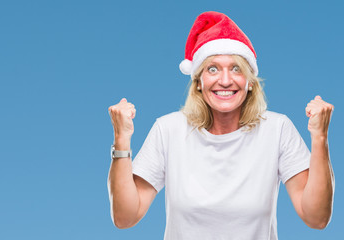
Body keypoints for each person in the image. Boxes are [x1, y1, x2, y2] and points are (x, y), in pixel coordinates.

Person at [107, 11, 334, 239]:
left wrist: (320, 138)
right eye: (213, 69)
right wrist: (122, 139)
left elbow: (316, 218)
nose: (225, 80)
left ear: (250, 82)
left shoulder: (277, 129)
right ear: (198, 81)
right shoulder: (168, 130)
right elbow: (125, 217)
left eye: (236, 68)